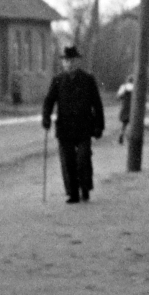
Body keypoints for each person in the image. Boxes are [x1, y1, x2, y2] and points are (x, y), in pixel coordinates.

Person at [42, 46, 105, 203]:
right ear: (63, 63)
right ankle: (73, 193)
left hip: (84, 127)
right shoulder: (57, 80)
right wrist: (46, 118)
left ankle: (85, 187)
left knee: (83, 158)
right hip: (65, 127)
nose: (69, 64)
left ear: (77, 62)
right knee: (68, 161)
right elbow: (49, 101)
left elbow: (97, 104)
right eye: (66, 61)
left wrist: (99, 125)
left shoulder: (88, 80)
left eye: (72, 61)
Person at [116, 75, 135, 144]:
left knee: (124, 124)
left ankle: (121, 135)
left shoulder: (123, 87)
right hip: (133, 107)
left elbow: (118, 97)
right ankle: (129, 138)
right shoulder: (135, 87)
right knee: (132, 124)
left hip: (125, 107)